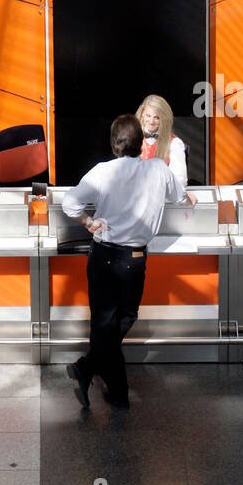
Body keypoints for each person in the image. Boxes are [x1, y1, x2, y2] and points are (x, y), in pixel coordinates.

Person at [62, 113, 197, 410]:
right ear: (141, 144)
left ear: (113, 144)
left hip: (103, 256)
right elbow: (179, 196)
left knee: (104, 324)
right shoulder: (159, 169)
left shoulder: (103, 171)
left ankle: (87, 368)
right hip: (134, 259)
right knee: (122, 320)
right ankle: (117, 393)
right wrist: (189, 201)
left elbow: (69, 202)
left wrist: (88, 222)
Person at [136, 94, 188, 186]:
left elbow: (180, 181)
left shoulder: (174, 143)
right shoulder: (134, 137)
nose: (151, 122)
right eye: (148, 116)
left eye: (157, 117)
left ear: (164, 118)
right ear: (142, 114)